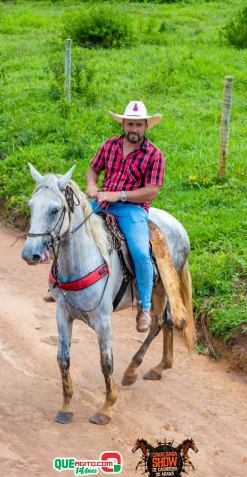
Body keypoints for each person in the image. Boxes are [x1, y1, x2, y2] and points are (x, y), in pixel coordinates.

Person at [87, 101, 165, 332]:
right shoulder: (109, 145)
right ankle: (58, 283)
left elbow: (152, 191)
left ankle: (145, 306)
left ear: (145, 127)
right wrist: (92, 185)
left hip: (133, 209)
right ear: (123, 124)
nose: (134, 129)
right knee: (69, 225)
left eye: (138, 125)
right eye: (130, 123)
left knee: (141, 253)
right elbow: (93, 168)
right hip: (102, 202)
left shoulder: (154, 155)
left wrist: (118, 196)